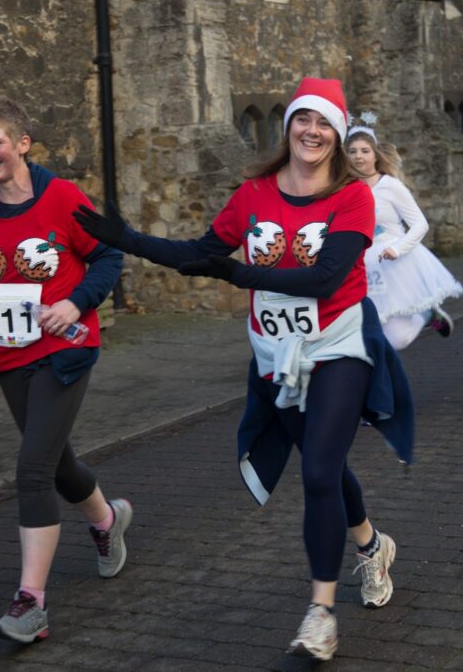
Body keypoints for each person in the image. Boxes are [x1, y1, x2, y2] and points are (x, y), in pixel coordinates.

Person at [75, 77, 414, 661]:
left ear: (338, 133)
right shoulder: (255, 192)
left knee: (316, 475)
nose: (312, 132)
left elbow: (324, 277)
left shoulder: (354, 196)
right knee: (320, 464)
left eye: (324, 124)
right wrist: (128, 237)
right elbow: (198, 253)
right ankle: (371, 544)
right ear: (290, 127)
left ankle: (321, 614)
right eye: (303, 120)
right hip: (275, 353)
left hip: (338, 343)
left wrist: (240, 276)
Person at [0, 96, 130, 644]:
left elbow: (109, 256)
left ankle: (30, 603)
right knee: (57, 464)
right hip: (7, 352)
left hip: (66, 346)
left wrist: (76, 302)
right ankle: (108, 520)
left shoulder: (61, 197)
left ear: (22, 145)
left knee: (32, 469)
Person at [345, 123, 463, 350]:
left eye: (364, 151)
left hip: (396, 265)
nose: (358, 156)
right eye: (352, 151)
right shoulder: (344, 189)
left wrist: (397, 249)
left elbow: (420, 224)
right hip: (362, 269)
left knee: (397, 340)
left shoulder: (391, 186)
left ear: (375, 155)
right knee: (369, 337)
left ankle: (427, 315)